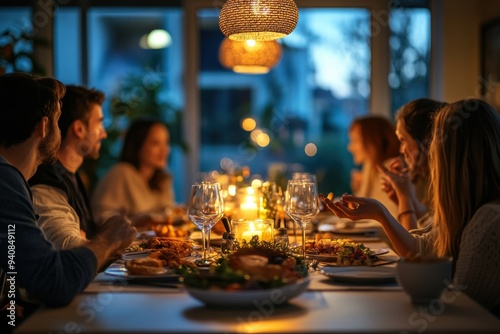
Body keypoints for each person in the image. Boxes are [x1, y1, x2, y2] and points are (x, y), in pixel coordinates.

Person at [323, 99, 500, 316]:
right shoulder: (464, 209)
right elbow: (421, 250)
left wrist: (399, 203)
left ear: (452, 157)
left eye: (435, 145)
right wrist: (381, 212)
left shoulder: (488, 221)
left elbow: (462, 310)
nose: (431, 154)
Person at [0, 73, 136, 317]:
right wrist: (106, 240)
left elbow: (17, 264)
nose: (60, 131)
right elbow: (55, 281)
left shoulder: (13, 179)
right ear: (44, 127)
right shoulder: (6, 181)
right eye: (57, 121)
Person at [28, 85, 107, 249]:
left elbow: (86, 236)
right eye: (99, 124)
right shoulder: (48, 179)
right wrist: (113, 240)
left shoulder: (70, 175)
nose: (103, 133)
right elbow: (68, 246)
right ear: (79, 129)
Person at [91, 118, 175, 226]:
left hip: (158, 240)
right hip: (130, 241)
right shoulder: (121, 173)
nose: (165, 150)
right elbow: (99, 216)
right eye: (155, 143)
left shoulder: (163, 178)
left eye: (166, 143)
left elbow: (168, 212)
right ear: (138, 145)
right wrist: (132, 222)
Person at [381, 98, 447, 230]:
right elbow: (429, 223)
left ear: (425, 140)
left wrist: (404, 198)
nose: (401, 149)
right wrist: (405, 198)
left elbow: (415, 249)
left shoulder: (447, 182)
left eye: (403, 140)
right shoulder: (433, 177)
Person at [347, 116, 400, 217]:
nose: (350, 147)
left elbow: (391, 215)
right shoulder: (370, 167)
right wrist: (358, 189)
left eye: (355, 140)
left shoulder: (392, 169)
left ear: (374, 140)